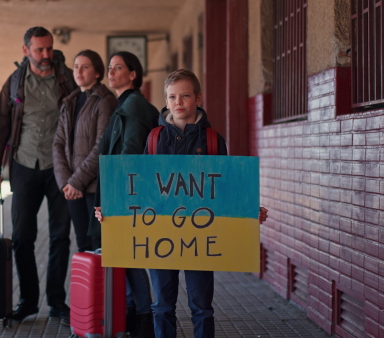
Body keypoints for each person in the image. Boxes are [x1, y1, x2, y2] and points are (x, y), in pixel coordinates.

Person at [100, 69, 268, 337]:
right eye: (172, 97)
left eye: (185, 96)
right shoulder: (154, 139)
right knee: (162, 305)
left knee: (202, 306)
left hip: (199, 236)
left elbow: (223, 188)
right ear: (166, 102)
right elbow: (140, 187)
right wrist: (113, 211)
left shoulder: (213, 140)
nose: (178, 102)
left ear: (198, 98)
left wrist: (247, 213)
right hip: (160, 234)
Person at [0, 26, 77, 325]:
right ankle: (27, 300)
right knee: (23, 237)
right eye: (39, 49)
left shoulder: (66, 80)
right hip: (23, 166)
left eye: (49, 48)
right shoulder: (14, 83)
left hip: (60, 169)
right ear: (26, 50)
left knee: (60, 237)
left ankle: (56, 301)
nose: (46, 55)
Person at [90, 51, 158, 338]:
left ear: (133, 74)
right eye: (110, 68)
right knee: (123, 255)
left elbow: (128, 155)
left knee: (128, 257)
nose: (111, 72)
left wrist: (116, 199)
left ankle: (142, 317)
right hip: (123, 191)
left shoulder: (133, 106)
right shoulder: (126, 105)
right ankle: (135, 313)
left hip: (126, 193)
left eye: (118, 68)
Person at [53, 50, 117, 251]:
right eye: (76, 66)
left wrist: (76, 182)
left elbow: (101, 145)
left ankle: (101, 284)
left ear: (97, 72)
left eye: (85, 66)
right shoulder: (70, 102)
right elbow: (58, 143)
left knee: (99, 245)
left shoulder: (105, 100)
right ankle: (87, 284)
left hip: (94, 189)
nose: (78, 71)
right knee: (82, 243)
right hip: (73, 190)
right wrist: (66, 183)